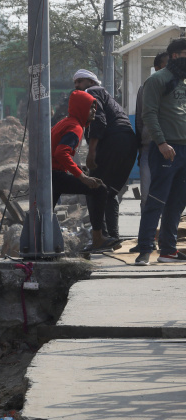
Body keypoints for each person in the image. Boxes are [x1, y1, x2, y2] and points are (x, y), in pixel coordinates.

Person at [135, 38, 186, 265]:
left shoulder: (183, 82)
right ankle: (145, 250)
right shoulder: (157, 80)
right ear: (176, 55)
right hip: (166, 149)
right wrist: (162, 143)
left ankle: (168, 251)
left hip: (184, 149)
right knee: (156, 200)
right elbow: (149, 114)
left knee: (177, 203)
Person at [73, 69, 139, 243]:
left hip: (112, 141)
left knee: (92, 188)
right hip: (128, 143)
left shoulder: (91, 92)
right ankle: (112, 237)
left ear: (90, 82)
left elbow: (99, 120)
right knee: (109, 192)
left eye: (79, 81)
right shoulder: (108, 98)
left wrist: (92, 151)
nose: (77, 86)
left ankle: (100, 237)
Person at [50, 90, 112, 250]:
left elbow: (57, 152)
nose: (94, 111)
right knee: (100, 190)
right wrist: (83, 178)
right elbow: (61, 152)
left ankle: (39, 242)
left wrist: (78, 168)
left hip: (49, 175)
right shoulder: (75, 127)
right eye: (90, 108)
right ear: (81, 108)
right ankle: (98, 238)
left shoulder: (66, 122)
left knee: (43, 213)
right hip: (54, 175)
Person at [134, 52, 169, 212]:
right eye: (167, 64)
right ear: (157, 68)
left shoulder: (179, 88)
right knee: (147, 196)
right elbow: (141, 119)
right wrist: (141, 146)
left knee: (171, 196)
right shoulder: (146, 88)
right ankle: (147, 234)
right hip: (149, 147)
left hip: (173, 147)